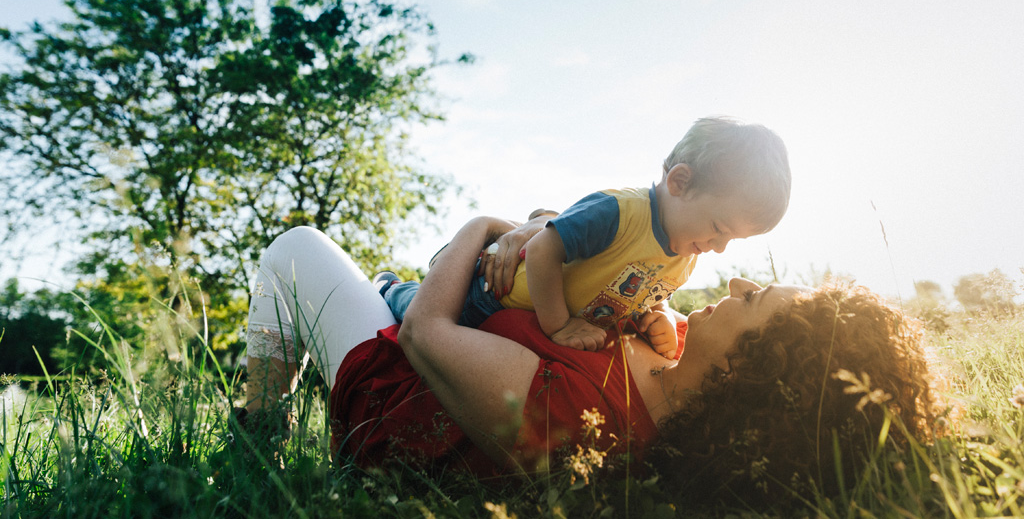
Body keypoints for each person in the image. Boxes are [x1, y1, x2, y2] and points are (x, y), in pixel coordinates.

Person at [241, 217, 942, 505]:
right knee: (373, 284)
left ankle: (259, 436)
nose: (735, 282)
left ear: (748, 372)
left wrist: (483, 224)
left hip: (398, 391)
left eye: (754, 299)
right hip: (450, 345)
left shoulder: (592, 422)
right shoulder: (661, 350)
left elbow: (426, 335)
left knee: (295, 250)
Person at [380, 116, 792, 359]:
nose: (719, 247)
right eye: (720, 228)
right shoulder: (619, 212)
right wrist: (560, 326)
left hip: (526, 323)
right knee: (420, 311)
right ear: (680, 182)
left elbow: (649, 289)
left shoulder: (687, 253)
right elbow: (542, 249)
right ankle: (392, 287)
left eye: (732, 240)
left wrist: (660, 316)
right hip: (494, 294)